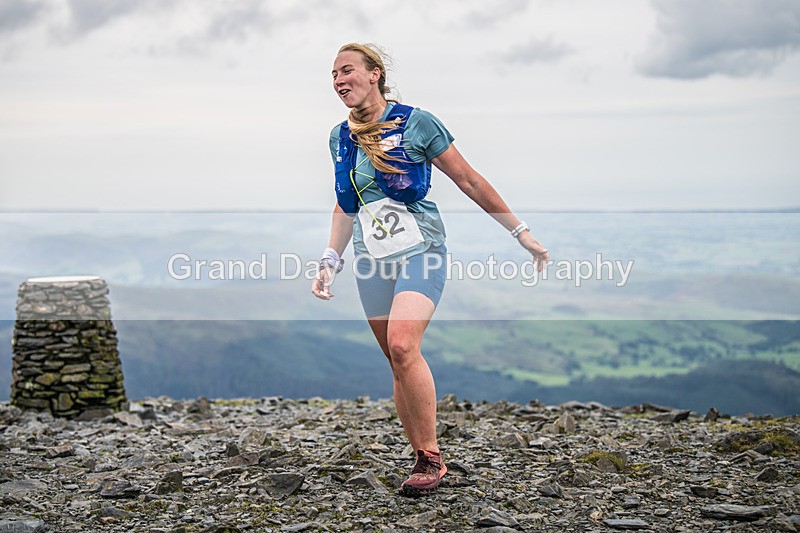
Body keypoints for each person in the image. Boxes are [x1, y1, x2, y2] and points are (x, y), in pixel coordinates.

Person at [311, 43, 549, 496]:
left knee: (403, 345)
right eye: (333, 75)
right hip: (371, 260)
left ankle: (431, 457)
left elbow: (469, 179)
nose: (339, 81)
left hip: (423, 250)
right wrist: (330, 260)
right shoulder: (339, 136)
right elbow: (346, 205)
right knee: (396, 361)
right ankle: (419, 450)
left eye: (348, 71)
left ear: (375, 74)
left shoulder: (417, 122)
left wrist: (520, 232)